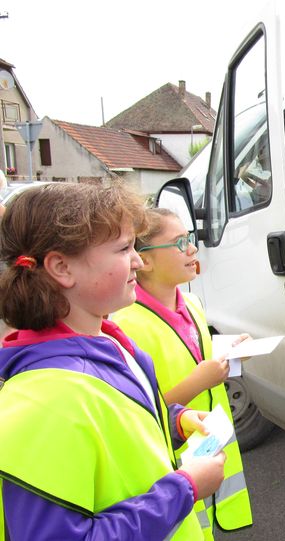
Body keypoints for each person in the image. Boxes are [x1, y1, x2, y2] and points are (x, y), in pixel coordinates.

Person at [0, 183, 226, 540]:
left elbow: (118, 424)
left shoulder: (106, 340)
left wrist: (176, 422)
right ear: (61, 267)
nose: (138, 259)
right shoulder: (46, 401)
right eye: (123, 248)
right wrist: (183, 490)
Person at [112, 207, 252, 538]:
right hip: (174, 463)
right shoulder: (125, 324)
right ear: (144, 260)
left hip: (209, 447)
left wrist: (226, 350)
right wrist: (197, 382)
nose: (192, 249)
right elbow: (140, 410)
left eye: (190, 239)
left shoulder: (191, 304)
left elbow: (189, 352)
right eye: (179, 243)